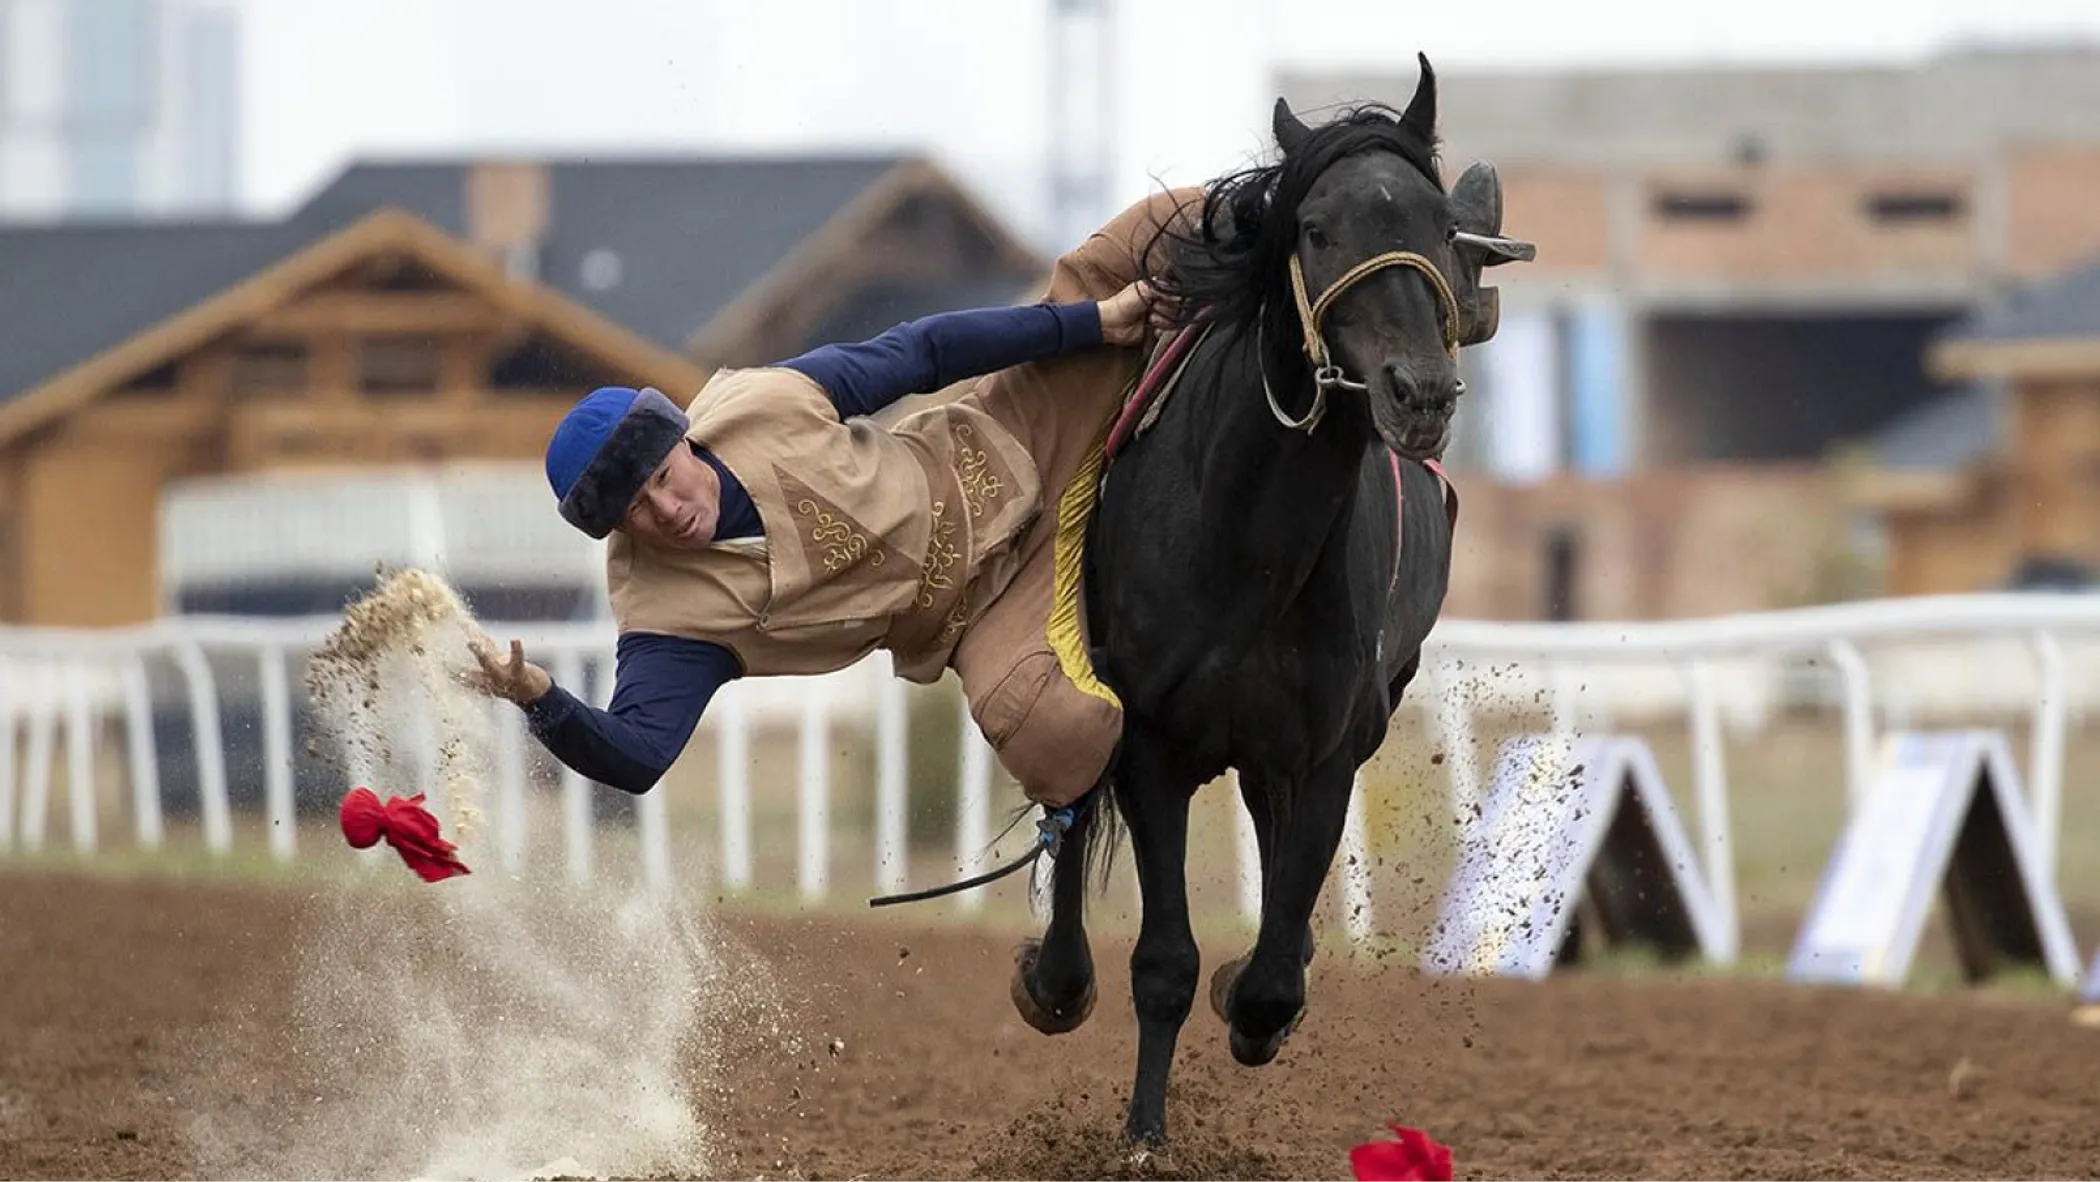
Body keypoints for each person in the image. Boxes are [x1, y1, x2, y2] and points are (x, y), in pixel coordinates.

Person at [464, 189, 1200, 813]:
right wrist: (540, 697)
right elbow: (639, 756)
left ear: (682, 440)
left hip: (1005, 442)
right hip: (975, 612)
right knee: (1057, 742)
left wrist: (1092, 324)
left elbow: (923, 352)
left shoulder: (767, 398)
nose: (665, 512)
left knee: (1168, 223)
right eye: (634, 514)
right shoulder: (667, 618)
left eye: (660, 479)